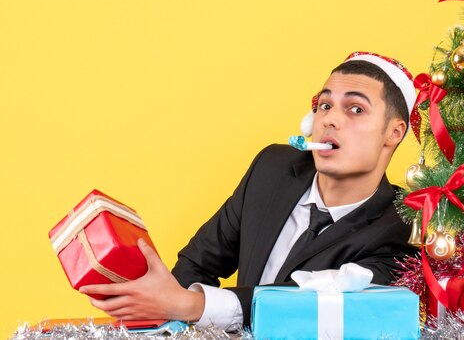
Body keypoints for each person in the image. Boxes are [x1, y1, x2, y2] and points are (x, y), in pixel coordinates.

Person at [79, 51, 419, 330]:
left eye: (355, 109)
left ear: (393, 132)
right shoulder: (273, 168)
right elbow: (196, 264)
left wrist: (190, 305)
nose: (330, 119)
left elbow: (307, 310)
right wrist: (166, 310)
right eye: (324, 106)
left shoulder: (403, 228)